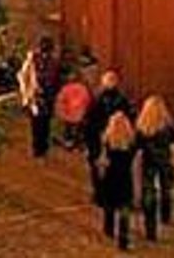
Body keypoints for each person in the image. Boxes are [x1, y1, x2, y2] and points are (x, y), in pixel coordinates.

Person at [84, 71, 136, 200]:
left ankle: (100, 193)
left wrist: (88, 140)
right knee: (121, 168)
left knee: (98, 167)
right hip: (118, 139)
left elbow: (89, 121)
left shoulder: (97, 99)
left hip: (101, 138)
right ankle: (121, 194)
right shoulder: (122, 99)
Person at [134, 94, 174, 242]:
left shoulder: (142, 127)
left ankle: (150, 229)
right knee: (166, 188)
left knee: (149, 193)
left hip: (149, 162)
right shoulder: (167, 127)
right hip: (164, 161)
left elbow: (137, 146)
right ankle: (166, 215)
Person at [96, 110, 138, 251]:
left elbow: (103, 160)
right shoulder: (131, 143)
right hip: (125, 176)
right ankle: (123, 238)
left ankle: (108, 228)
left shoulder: (107, 141)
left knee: (110, 204)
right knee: (124, 208)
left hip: (111, 175)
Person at [17, 36, 61, 159]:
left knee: (45, 123)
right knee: (36, 123)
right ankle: (38, 148)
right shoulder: (32, 60)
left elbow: (56, 80)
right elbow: (22, 76)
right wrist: (27, 94)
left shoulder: (53, 62)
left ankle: (43, 148)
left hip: (47, 97)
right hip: (36, 97)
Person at [55, 70, 93, 151]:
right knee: (76, 128)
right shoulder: (83, 89)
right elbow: (87, 101)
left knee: (70, 127)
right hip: (78, 113)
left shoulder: (66, 88)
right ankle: (75, 142)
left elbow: (60, 100)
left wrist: (62, 111)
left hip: (69, 113)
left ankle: (70, 141)